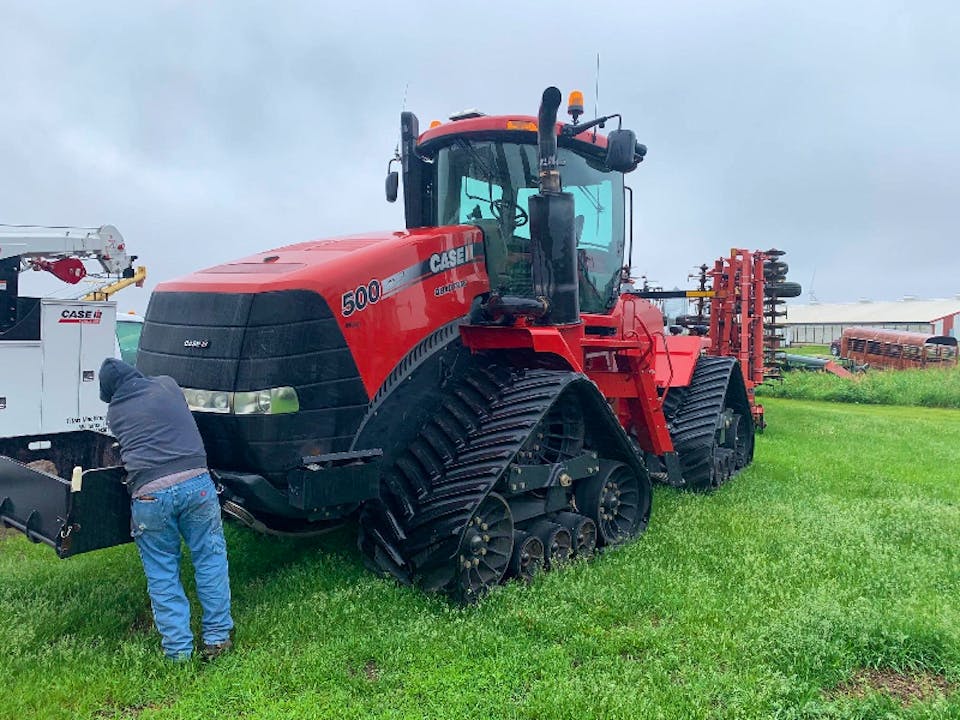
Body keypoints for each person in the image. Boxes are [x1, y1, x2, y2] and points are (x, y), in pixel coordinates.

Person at [99, 358, 234, 661]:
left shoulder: (115, 412)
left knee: (162, 572)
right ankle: (217, 638)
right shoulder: (168, 384)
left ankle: (178, 653)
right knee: (210, 559)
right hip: (198, 484)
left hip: (150, 495)